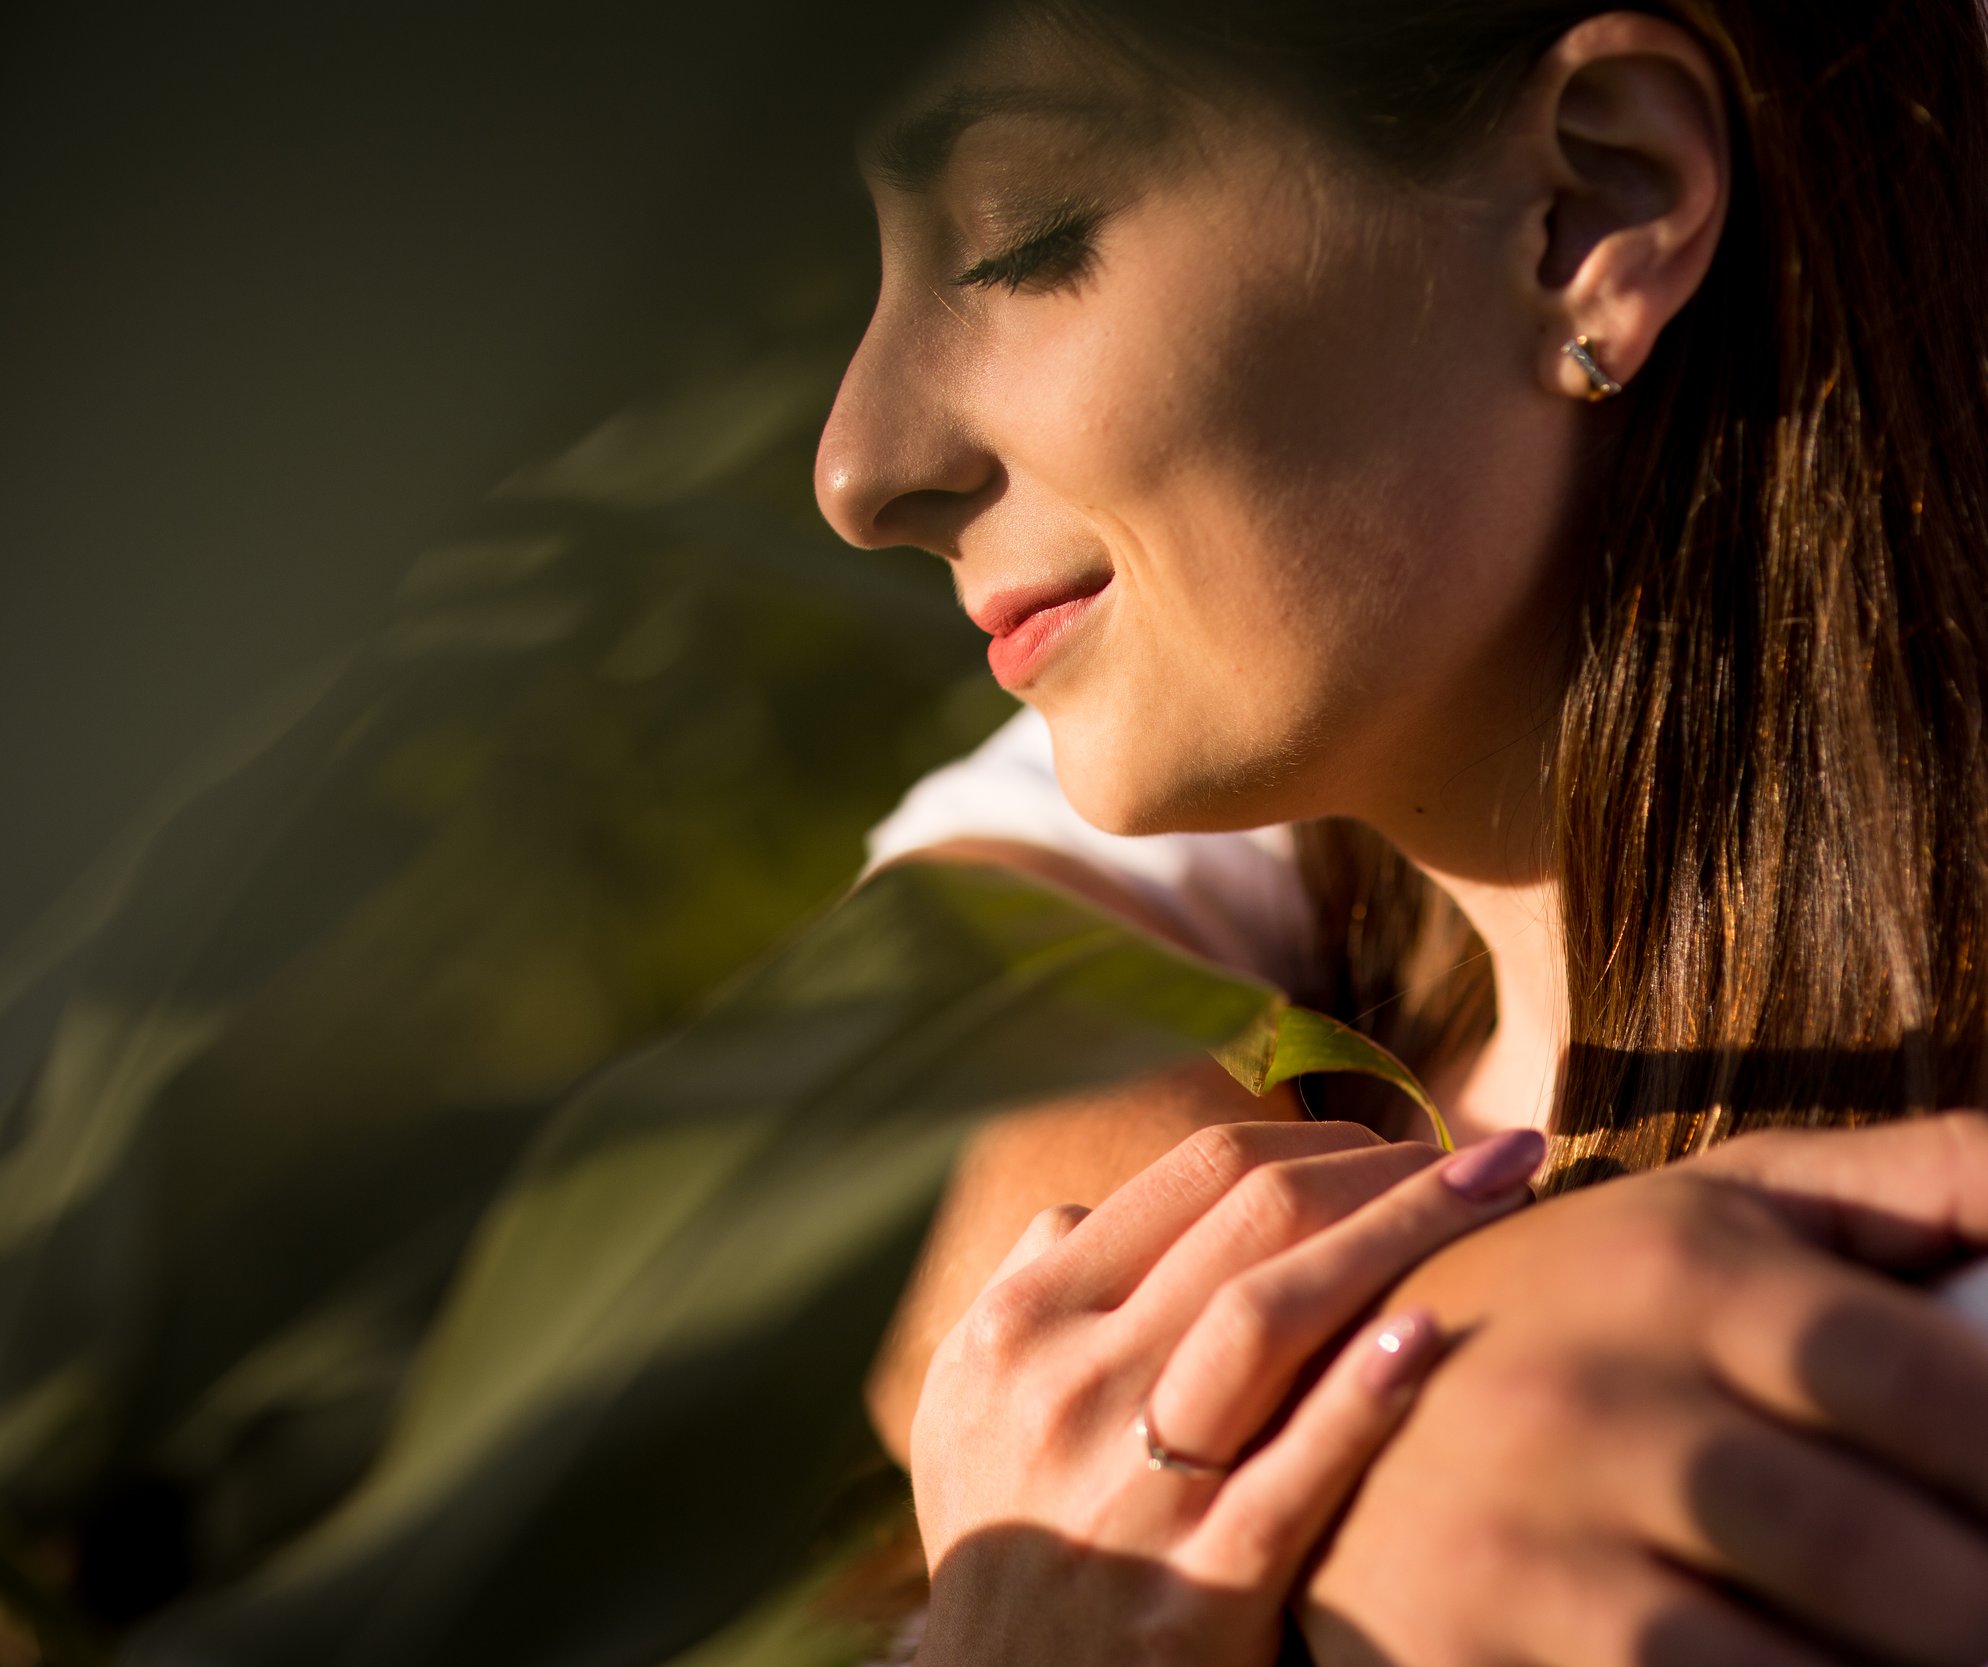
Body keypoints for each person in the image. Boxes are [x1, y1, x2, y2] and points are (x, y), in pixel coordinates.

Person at [812, 3, 1988, 1663]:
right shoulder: (1265, 933)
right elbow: (925, 955)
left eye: (1021, 238)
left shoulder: (1872, 1403)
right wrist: (1352, 1389)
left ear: (1595, 208)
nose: (857, 465)